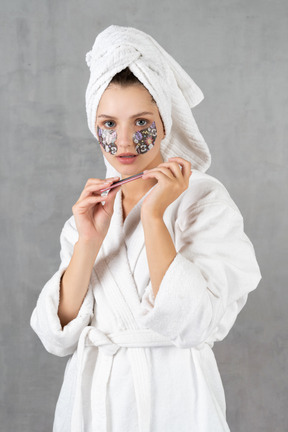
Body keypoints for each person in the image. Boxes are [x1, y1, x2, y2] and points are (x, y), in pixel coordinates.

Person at [31, 25, 261, 432]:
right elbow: (58, 338)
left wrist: (154, 217)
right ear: (93, 124)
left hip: (176, 400)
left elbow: (196, 323)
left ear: (165, 122)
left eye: (141, 122)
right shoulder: (90, 212)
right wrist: (88, 241)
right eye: (108, 123)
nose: (123, 141)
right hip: (94, 402)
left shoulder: (203, 200)